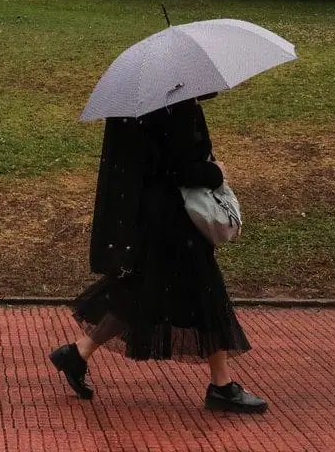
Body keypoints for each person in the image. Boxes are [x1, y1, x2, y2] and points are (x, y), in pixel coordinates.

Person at [49, 95, 268, 413]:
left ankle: (78, 353)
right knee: (207, 293)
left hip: (154, 218)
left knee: (143, 292)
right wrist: (215, 172)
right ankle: (221, 386)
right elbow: (179, 170)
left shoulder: (143, 105)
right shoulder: (176, 108)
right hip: (174, 222)